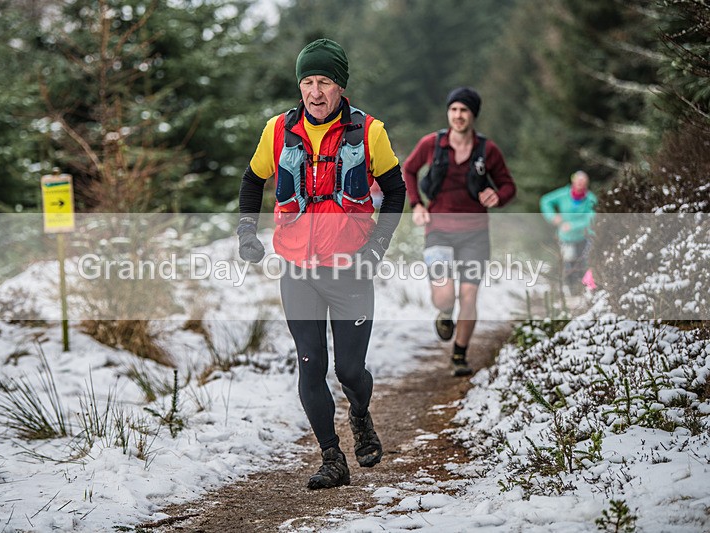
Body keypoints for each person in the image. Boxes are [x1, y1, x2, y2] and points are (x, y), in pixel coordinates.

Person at [236, 38, 406, 490]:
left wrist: (377, 248)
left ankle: (361, 415)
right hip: (298, 271)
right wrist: (246, 232)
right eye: (308, 81)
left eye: (324, 82)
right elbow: (253, 179)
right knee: (310, 363)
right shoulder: (277, 131)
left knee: (350, 370)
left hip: (351, 269)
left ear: (340, 86)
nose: (315, 91)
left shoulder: (370, 132)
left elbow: (396, 190)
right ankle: (332, 456)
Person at [403, 87, 516, 377]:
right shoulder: (433, 144)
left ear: (473, 115)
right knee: (444, 295)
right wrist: (416, 204)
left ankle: (459, 354)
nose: (458, 115)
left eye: (464, 110)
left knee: (468, 295)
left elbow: (508, 185)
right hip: (438, 230)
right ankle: (444, 312)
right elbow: (409, 170)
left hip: (475, 233)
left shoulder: (487, 150)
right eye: (453, 109)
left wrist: (497, 196)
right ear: (448, 113)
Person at [539, 170, 597, 294]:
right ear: (573, 181)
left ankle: (587, 292)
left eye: (583, 181)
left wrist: (572, 226)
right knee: (569, 264)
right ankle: (572, 291)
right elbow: (545, 201)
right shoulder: (563, 194)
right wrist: (553, 217)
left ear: (587, 184)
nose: (580, 183)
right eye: (578, 180)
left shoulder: (590, 198)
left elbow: (591, 218)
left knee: (585, 263)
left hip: (585, 236)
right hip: (566, 238)